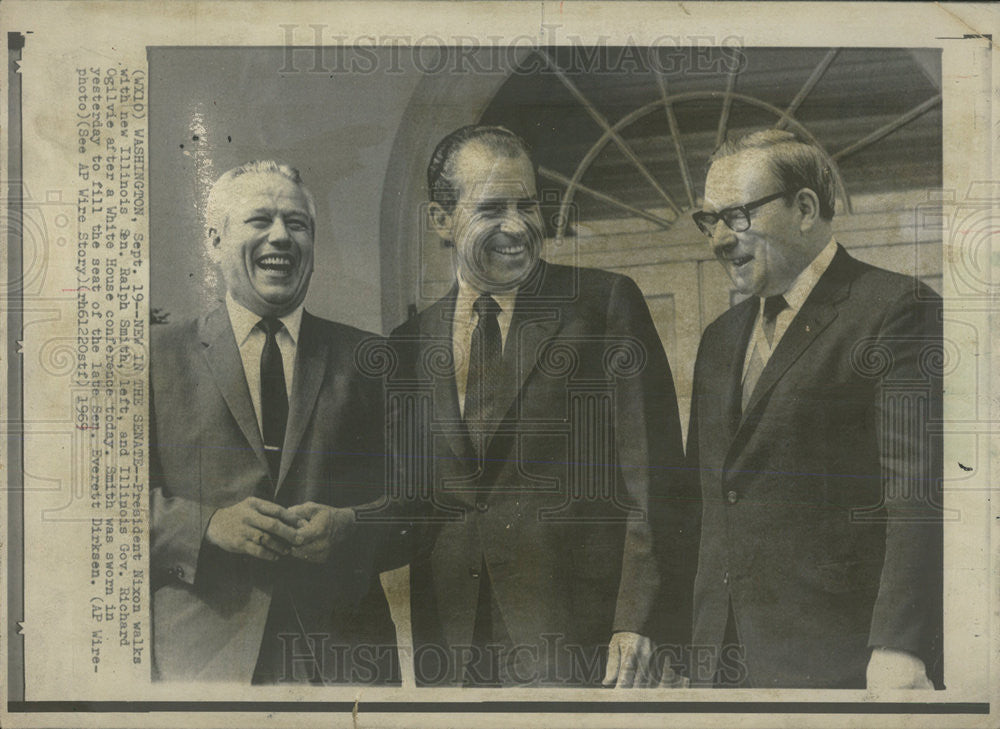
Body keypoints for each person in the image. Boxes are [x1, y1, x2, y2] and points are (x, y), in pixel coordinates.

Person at [383, 125, 690, 687]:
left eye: (527, 205)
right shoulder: (408, 344)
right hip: (452, 651)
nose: (517, 225)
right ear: (440, 220)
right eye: (492, 207)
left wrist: (638, 620)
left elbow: (657, 478)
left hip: (580, 641)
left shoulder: (603, 305)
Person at [687, 129, 943, 689]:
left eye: (736, 216)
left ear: (804, 208)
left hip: (846, 656)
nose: (720, 240)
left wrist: (901, 644)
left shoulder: (895, 310)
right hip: (721, 660)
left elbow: (916, 492)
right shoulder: (719, 338)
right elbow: (707, 504)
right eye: (708, 221)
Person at [149, 161, 398, 684]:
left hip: (344, 658)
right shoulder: (155, 357)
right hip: (205, 657)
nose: (281, 236)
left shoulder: (370, 358)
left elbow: (419, 504)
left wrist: (353, 527)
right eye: (259, 220)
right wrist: (208, 525)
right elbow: (100, 508)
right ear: (215, 241)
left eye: (298, 224)